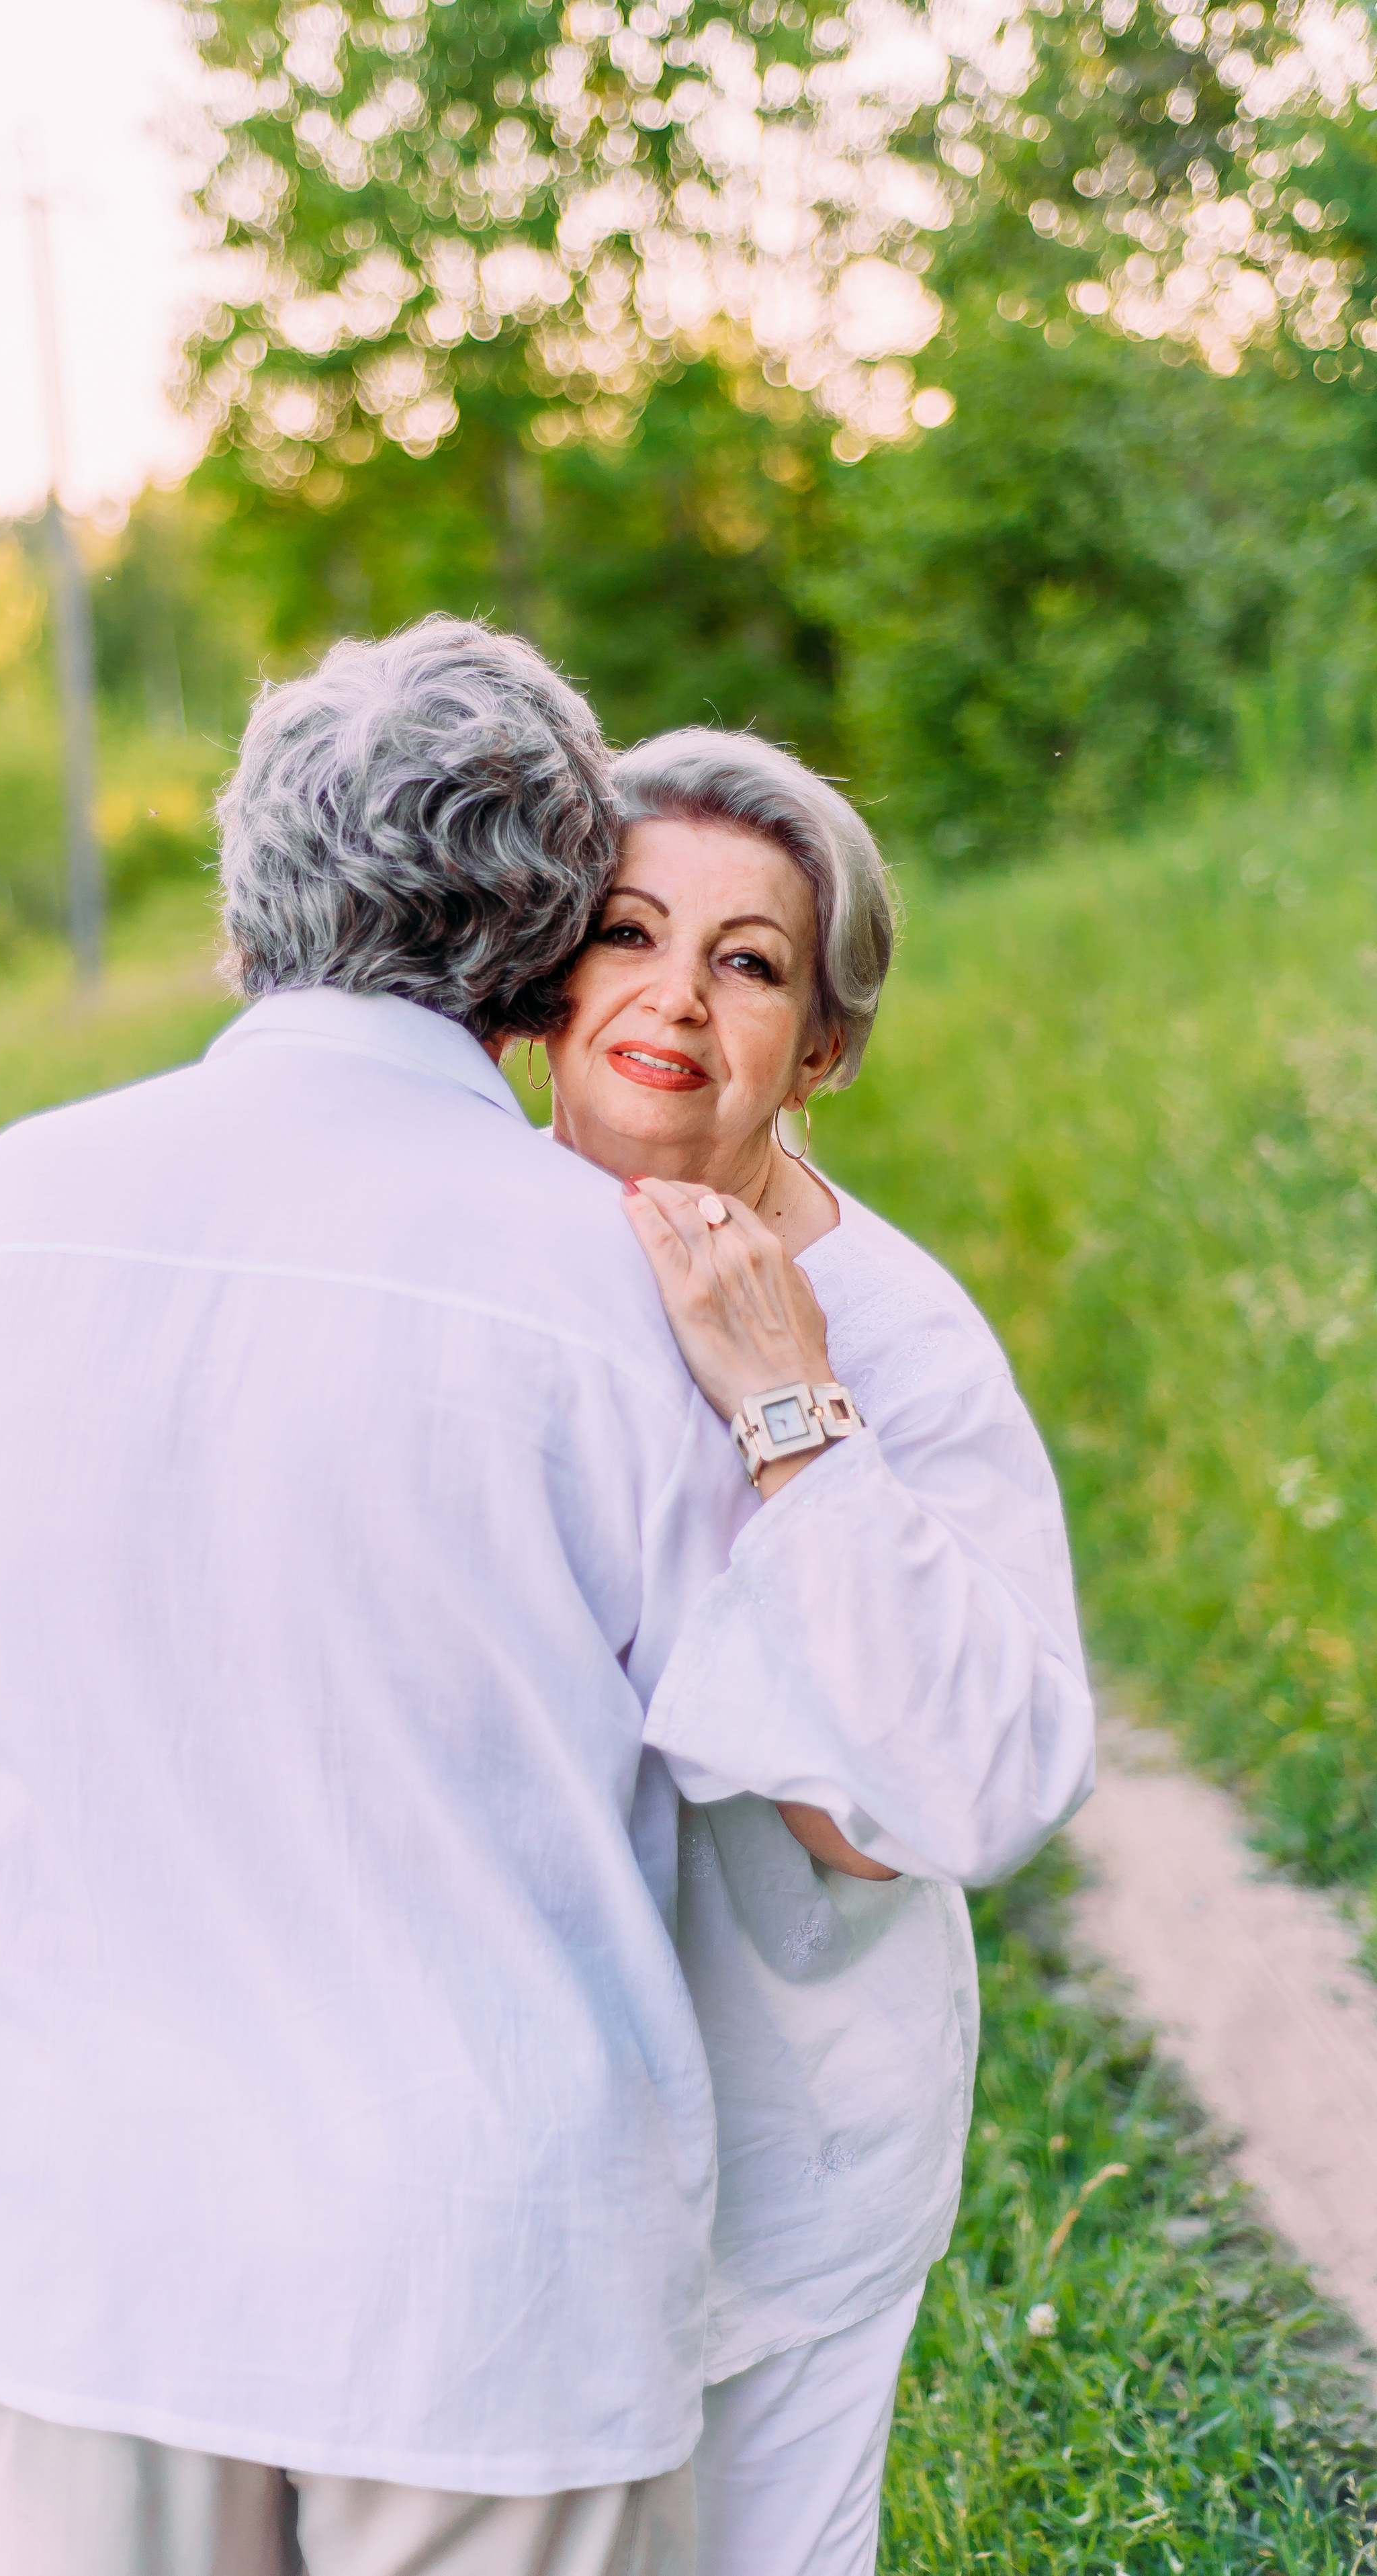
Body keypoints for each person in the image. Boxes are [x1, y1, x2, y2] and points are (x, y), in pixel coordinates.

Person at [0, 619, 979, 2576]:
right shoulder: (614, 1287)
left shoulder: (12, 1204)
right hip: (487, 2278)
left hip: (93, 2239)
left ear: (246, 910)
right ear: (533, 953)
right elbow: (878, 1793)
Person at [541, 725, 1096, 2576]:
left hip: (791, 2132)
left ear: (824, 1047)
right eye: (628, 930)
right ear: (549, 966)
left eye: (750, 962)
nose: (675, 999)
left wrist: (788, 1412)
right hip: (516, 2137)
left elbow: (926, 1805)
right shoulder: (478, 1251)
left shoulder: (896, 1339)